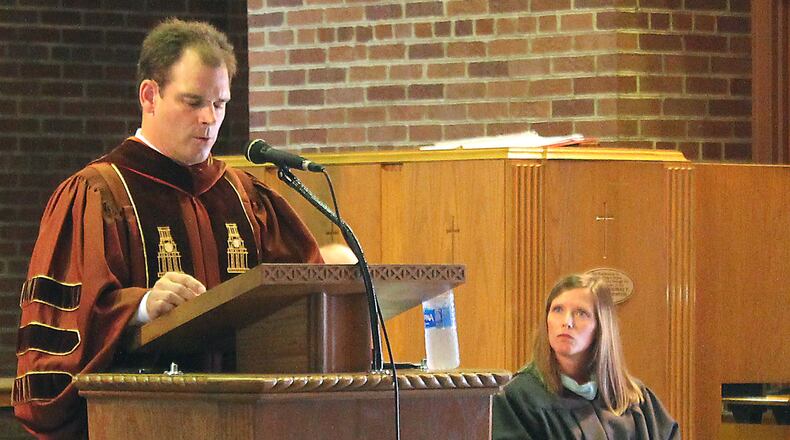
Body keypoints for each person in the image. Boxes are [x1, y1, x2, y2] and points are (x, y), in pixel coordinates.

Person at [14, 18, 327, 439]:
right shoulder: (97, 194)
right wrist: (141, 307)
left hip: (248, 424)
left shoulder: (244, 195)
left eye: (219, 104)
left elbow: (296, 309)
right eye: (192, 101)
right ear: (150, 95)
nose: (208, 119)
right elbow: (59, 333)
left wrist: (323, 281)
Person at [493, 274, 679, 439]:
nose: (566, 322)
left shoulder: (635, 398)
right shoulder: (518, 397)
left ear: (601, 326)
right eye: (557, 310)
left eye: (581, 313)